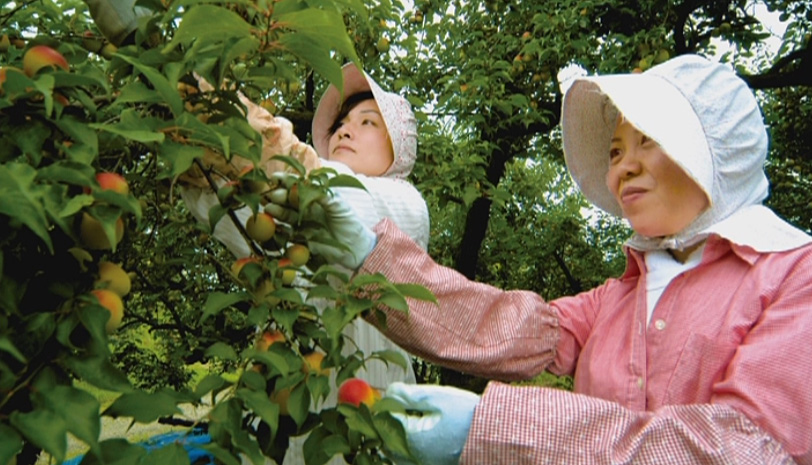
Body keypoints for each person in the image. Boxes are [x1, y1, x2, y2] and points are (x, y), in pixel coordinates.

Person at [270, 54, 812, 464]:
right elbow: (498, 324)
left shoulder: (793, 276)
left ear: (712, 149)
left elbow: (745, 446)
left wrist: (494, 425)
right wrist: (371, 262)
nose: (622, 166)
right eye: (616, 150)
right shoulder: (619, 296)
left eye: (647, 139)